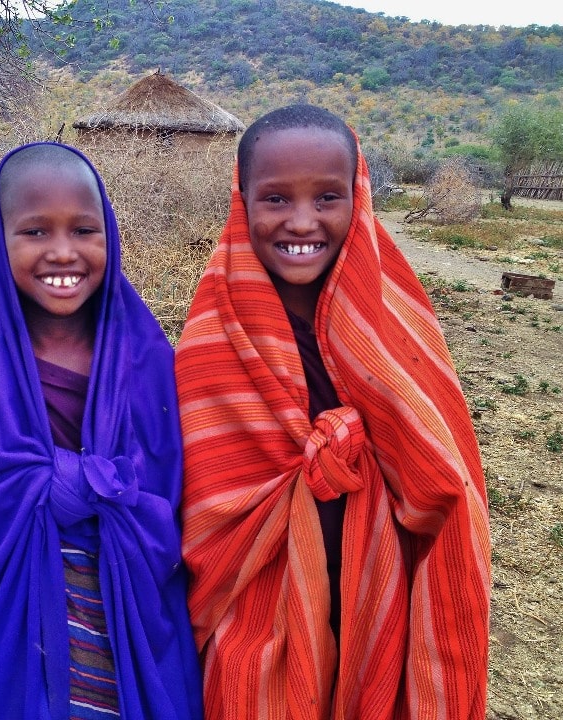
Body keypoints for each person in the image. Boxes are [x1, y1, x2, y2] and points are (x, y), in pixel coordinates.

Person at [175, 104, 490, 719]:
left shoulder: (393, 329)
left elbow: (445, 482)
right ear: (242, 203)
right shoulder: (213, 339)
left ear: (358, 198)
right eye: (275, 199)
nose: (301, 221)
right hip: (253, 612)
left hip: (379, 599)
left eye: (326, 198)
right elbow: (205, 503)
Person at [0, 142, 203, 720]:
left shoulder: (146, 354)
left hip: (122, 602)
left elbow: (167, 491)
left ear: (110, 232)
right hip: (6, 615)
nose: (63, 253)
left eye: (84, 230)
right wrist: (61, 487)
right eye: (35, 232)